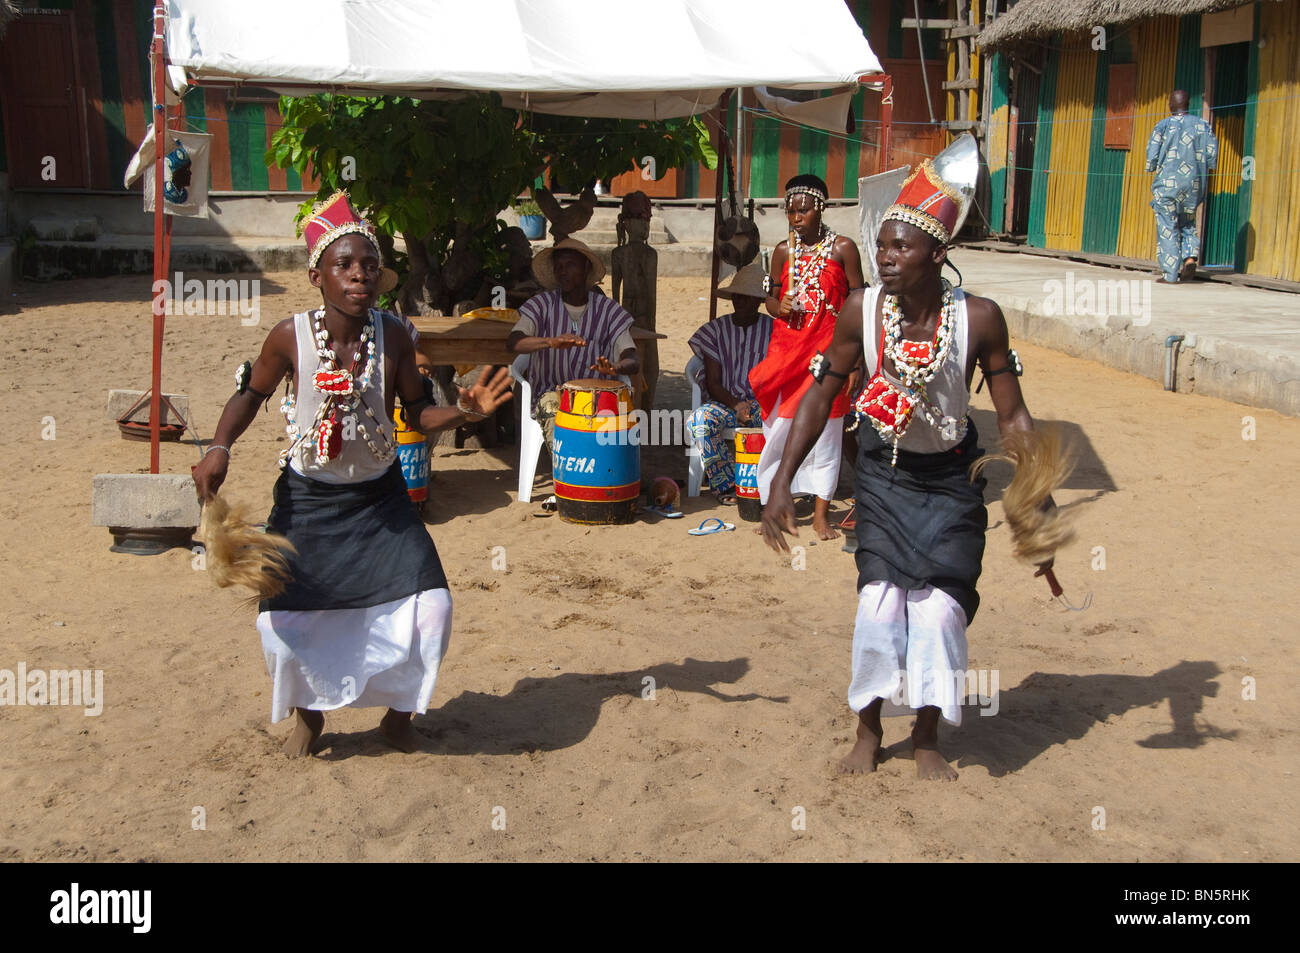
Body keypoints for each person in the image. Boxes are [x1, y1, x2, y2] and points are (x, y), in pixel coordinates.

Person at [760, 158, 1056, 781]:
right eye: (882, 245)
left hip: (952, 481)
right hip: (883, 477)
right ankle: (867, 729)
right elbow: (821, 394)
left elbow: (1015, 418)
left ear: (937, 251)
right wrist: (782, 479)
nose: (887, 257)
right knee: (879, 607)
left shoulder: (979, 318)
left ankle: (926, 734)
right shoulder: (862, 311)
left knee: (940, 611)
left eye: (902, 246)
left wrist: (1038, 498)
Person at [192, 191, 513, 758]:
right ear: (318, 275)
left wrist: (465, 413)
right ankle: (309, 719)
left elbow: (416, 413)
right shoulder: (289, 337)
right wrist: (220, 446)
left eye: (369, 265)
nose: (359, 275)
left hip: (381, 502)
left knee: (430, 606)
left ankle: (398, 718)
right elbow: (250, 394)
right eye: (345, 265)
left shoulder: (393, 335)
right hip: (307, 500)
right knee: (287, 620)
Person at [749, 174, 864, 540]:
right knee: (779, 431)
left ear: (820, 209)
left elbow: (859, 303)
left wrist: (857, 361)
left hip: (830, 355)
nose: (797, 217)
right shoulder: (783, 251)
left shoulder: (843, 248)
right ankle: (775, 506)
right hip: (787, 353)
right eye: (791, 211)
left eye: (804, 210)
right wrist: (777, 307)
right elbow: (770, 301)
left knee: (828, 433)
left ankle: (820, 515)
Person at [507, 238, 640, 457]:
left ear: (586, 268)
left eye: (570, 265)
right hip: (550, 394)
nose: (563, 272)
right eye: (558, 267)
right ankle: (571, 479)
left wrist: (615, 367)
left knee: (620, 419)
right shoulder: (541, 305)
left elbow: (632, 360)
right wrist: (550, 342)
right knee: (555, 413)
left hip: (598, 397)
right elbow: (514, 342)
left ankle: (605, 478)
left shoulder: (608, 310)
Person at [686, 263, 773, 503]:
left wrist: (755, 404)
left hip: (764, 403)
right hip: (726, 401)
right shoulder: (716, 331)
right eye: (737, 297)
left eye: (747, 299)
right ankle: (725, 485)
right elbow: (713, 383)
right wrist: (736, 404)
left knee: (788, 422)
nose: (741, 303)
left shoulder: (773, 330)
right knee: (700, 421)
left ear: (759, 301)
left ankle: (771, 484)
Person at [1146, 89, 1218, 284]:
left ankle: (1170, 274)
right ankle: (1190, 257)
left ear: (1171, 105)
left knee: (1167, 226)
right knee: (1188, 222)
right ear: (1187, 104)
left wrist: (1151, 166)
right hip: (1193, 184)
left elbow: (1151, 156)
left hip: (1167, 185)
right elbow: (1212, 155)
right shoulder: (1202, 126)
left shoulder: (1162, 126)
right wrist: (1207, 166)